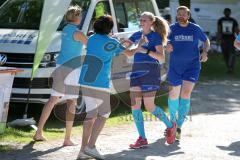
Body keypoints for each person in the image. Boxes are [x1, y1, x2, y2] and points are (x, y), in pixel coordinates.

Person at [77, 15, 138, 160]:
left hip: (85, 79)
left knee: (91, 114)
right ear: (110, 28)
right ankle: (90, 147)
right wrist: (139, 45)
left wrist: (117, 41)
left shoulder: (91, 39)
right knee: (104, 113)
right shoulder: (112, 41)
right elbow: (128, 52)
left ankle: (82, 151)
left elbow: (112, 47)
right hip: (99, 81)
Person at [33, 5, 87, 146]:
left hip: (60, 67)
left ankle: (38, 132)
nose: (81, 18)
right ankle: (67, 139)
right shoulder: (77, 32)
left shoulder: (65, 29)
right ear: (76, 17)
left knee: (52, 100)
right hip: (72, 69)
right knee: (71, 102)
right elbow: (90, 43)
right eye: (80, 15)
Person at [122, 12, 176, 148]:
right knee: (134, 104)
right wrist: (118, 44)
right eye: (140, 20)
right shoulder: (136, 35)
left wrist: (144, 50)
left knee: (150, 107)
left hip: (151, 72)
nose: (141, 22)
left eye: (144, 20)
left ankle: (171, 126)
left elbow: (161, 57)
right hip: (136, 72)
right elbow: (127, 52)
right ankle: (142, 138)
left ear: (151, 22)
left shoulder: (155, 36)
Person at [166, 6, 210, 141]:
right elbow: (164, 40)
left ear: (188, 15)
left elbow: (206, 41)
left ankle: (178, 127)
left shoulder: (195, 28)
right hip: (175, 67)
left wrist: (204, 51)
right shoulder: (171, 28)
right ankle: (172, 123)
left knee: (185, 94)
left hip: (192, 66)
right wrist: (166, 45)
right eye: (179, 14)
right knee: (173, 95)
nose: (181, 16)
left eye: (184, 14)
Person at [217, 8, 239, 74]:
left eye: (228, 12)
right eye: (226, 12)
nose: (227, 13)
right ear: (224, 13)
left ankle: (230, 67)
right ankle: (229, 67)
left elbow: (236, 30)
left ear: (230, 13)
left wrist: (238, 39)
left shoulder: (233, 20)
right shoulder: (221, 20)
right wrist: (219, 38)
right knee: (225, 54)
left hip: (231, 39)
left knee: (231, 53)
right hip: (224, 39)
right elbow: (219, 30)